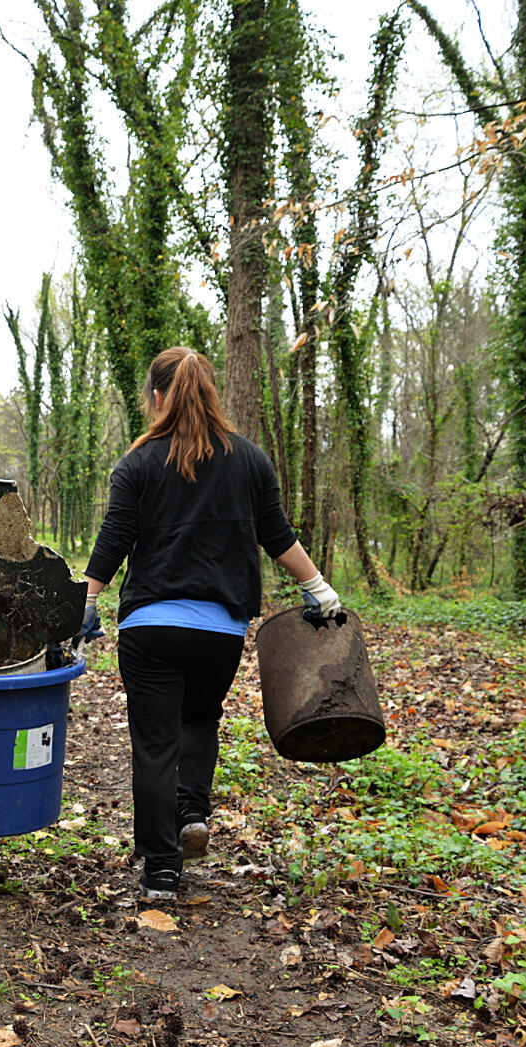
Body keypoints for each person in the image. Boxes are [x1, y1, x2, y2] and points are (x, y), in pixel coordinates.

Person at [79, 347, 342, 901]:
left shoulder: (139, 462)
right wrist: (318, 587)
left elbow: (115, 538)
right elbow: (277, 534)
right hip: (219, 630)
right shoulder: (250, 459)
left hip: (151, 628)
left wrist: (88, 598)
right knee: (199, 719)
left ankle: (160, 870)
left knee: (154, 744)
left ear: (155, 398)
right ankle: (192, 809)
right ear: (209, 394)